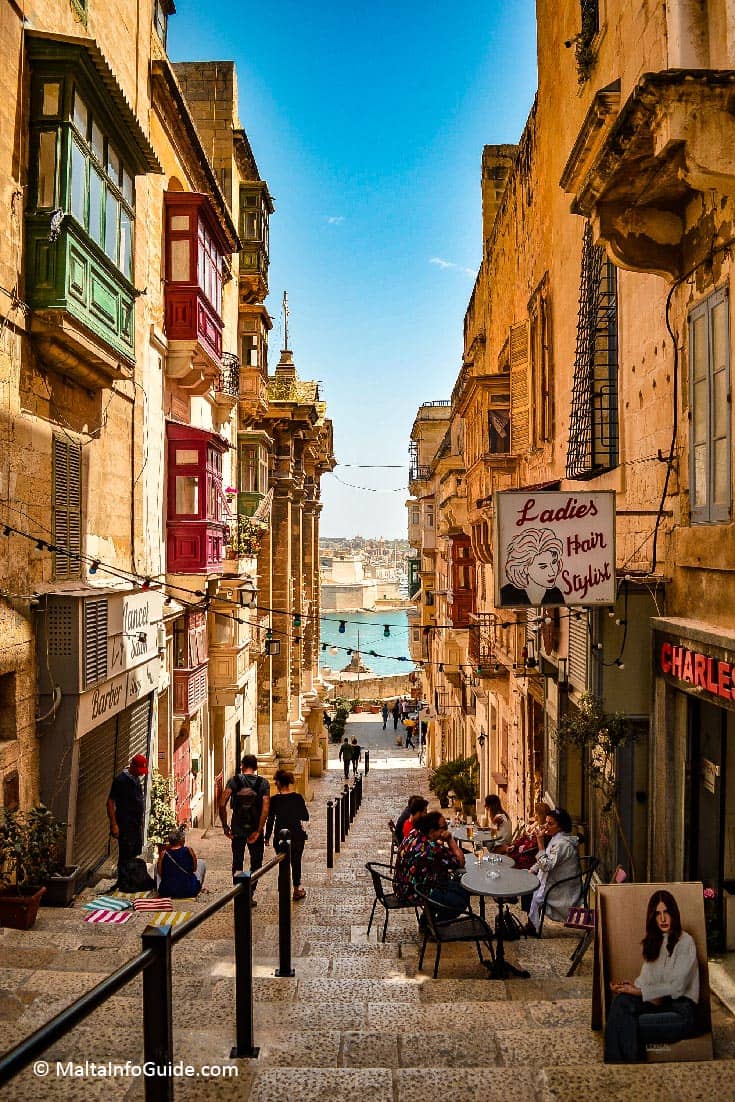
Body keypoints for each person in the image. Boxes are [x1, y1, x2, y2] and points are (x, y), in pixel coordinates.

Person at [605, 890, 700, 1063]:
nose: (662, 919)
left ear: (674, 914)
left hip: (681, 1014)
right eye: (657, 914)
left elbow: (676, 987)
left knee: (624, 1024)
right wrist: (629, 989)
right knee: (620, 1003)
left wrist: (639, 992)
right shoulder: (654, 942)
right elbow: (646, 982)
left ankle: (624, 1069)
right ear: (652, 917)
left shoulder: (685, 942)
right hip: (660, 1006)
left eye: (666, 912)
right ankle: (619, 1068)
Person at [393, 810, 469, 919]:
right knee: (461, 900)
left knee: (458, 887)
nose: (446, 831)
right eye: (444, 828)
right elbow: (460, 862)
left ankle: (427, 918)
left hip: (402, 886)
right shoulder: (432, 849)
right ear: (432, 831)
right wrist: (450, 840)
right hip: (415, 892)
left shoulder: (414, 833)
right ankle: (437, 924)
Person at [219, 753, 270, 900]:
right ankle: (250, 892)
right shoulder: (263, 783)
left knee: (237, 861)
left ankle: (239, 893)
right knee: (256, 862)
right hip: (255, 827)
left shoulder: (234, 781)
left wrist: (225, 826)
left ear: (242, 766)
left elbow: (222, 803)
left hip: (237, 827)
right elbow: (265, 809)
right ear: (255, 767)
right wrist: (259, 830)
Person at [524, 806, 581, 935]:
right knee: (528, 882)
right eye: (546, 822)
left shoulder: (561, 844)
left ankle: (531, 926)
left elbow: (546, 866)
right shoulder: (557, 839)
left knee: (530, 891)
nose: (546, 826)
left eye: (550, 824)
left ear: (560, 827)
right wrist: (532, 869)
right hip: (556, 881)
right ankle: (531, 923)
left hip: (561, 889)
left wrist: (540, 842)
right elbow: (546, 859)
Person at [264, 768, 310, 901]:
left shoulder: (275, 800)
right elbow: (305, 816)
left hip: (279, 837)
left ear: (278, 783)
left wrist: (267, 837)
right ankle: (296, 890)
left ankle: (283, 890)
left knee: (283, 863)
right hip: (296, 836)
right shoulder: (297, 798)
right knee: (296, 863)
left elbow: (270, 819)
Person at [107, 754, 148, 888]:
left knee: (134, 852)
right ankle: (124, 882)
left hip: (135, 824)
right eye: (139, 771)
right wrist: (114, 825)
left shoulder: (136, 779)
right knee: (125, 854)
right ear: (133, 766)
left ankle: (132, 881)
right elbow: (110, 802)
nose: (141, 775)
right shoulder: (120, 780)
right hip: (125, 824)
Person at [499, 527, 566, 606]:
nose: (552, 572)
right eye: (543, 567)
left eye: (554, 562)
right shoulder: (506, 594)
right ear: (524, 568)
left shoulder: (555, 594)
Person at [156, 826, 206, 898]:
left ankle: (158, 889)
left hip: (167, 891)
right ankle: (198, 887)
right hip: (189, 890)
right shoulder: (189, 850)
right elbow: (194, 869)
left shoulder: (164, 853)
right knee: (201, 862)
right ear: (182, 840)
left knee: (156, 866)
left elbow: (160, 873)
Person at [499, 800, 550, 869]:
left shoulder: (544, 831)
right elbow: (524, 837)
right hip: (520, 851)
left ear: (541, 815)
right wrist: (514, 845)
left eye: (536, 813)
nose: (534, 815)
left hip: (527, 856)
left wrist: (522, 848)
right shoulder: (534, 825)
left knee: (503, 861)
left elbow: (533, 847)